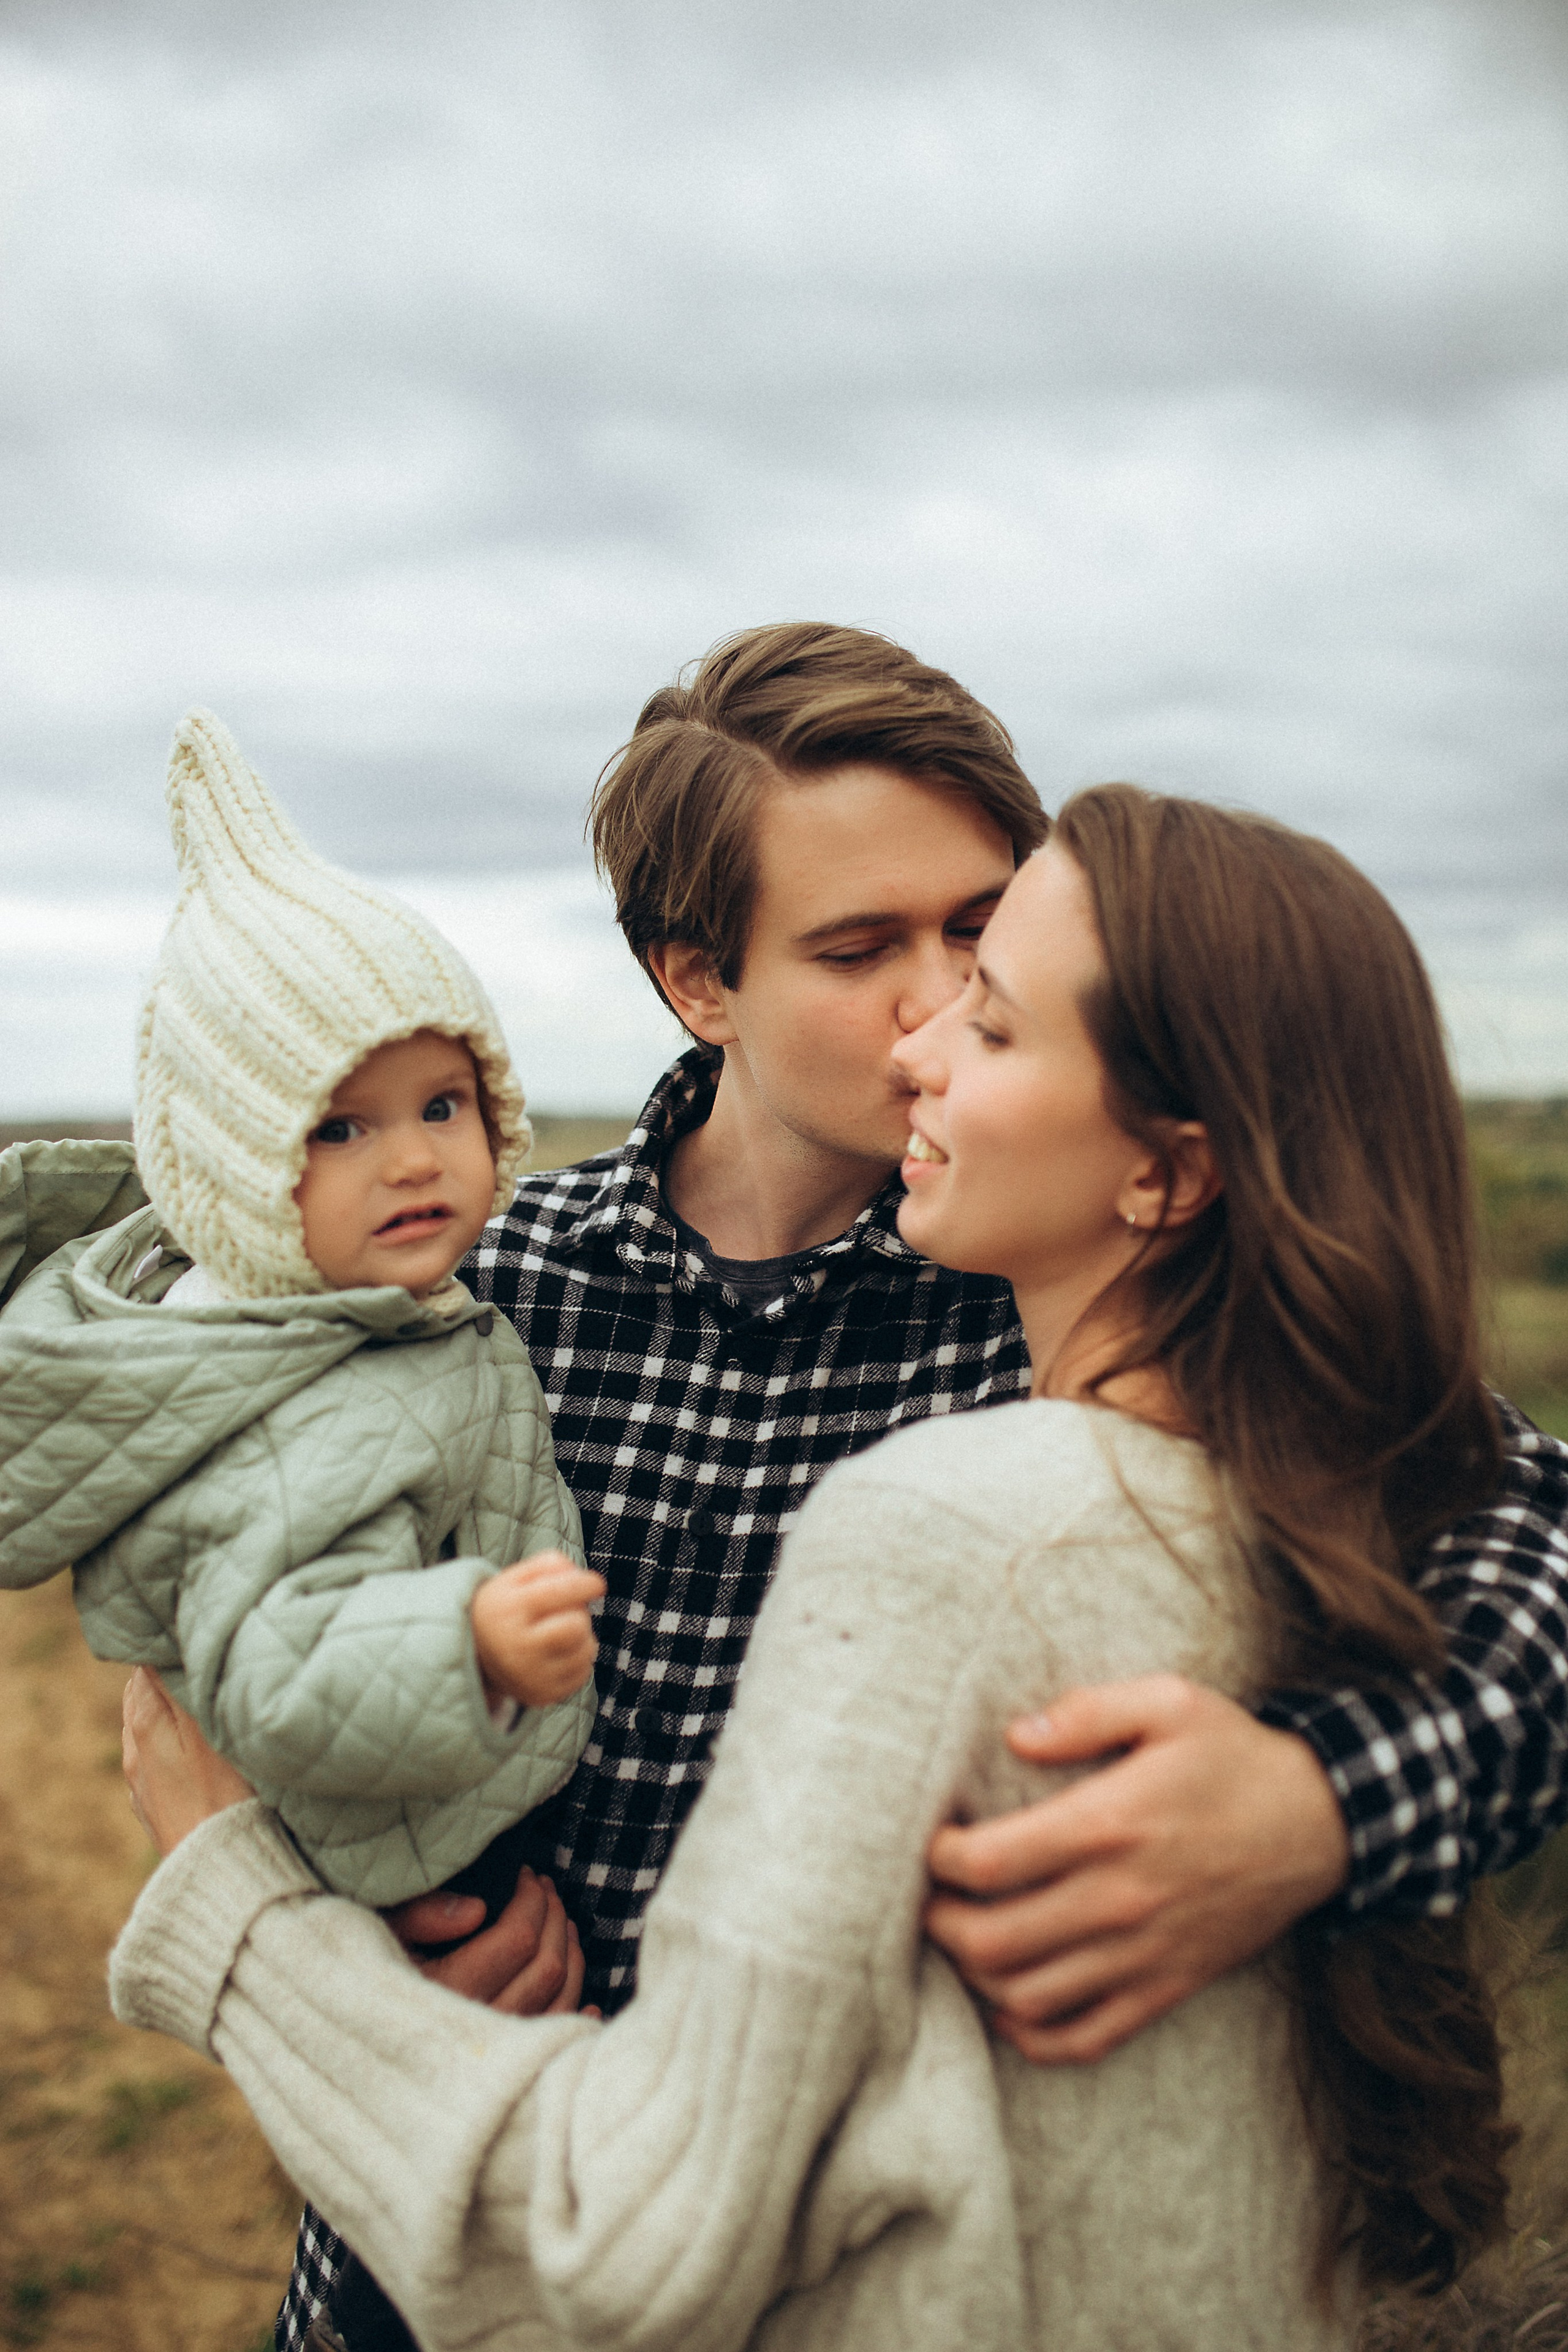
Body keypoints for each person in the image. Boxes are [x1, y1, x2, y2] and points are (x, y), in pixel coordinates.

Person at [272, 622, 1568, 2348]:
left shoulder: (1074, 1273)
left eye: (980, 927)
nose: (939, 999)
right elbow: (263, 1621)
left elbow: (1527, 1535)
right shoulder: (490, 1286)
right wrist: (370, 1917)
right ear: (697, 981)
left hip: (884, 2265)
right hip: (453, 2217)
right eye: (859, 945)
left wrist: (1319, 1809)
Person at [0, 707, 603, 1910]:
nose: (415, 1160)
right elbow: (274, 1673)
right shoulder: (287, 1402)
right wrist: (465, 1648)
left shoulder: (335, 1316)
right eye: (341, 1128)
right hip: (403, 1859)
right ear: (239, 1171)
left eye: (443, 1105)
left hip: (446, 1806)